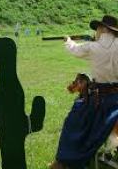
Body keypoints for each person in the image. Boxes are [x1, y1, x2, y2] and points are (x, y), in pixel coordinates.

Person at [50, 15, 118, 169]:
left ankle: (63, 161)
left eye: (98, 29)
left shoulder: (91, 46)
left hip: (99, 101)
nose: (97, 32)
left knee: (72, 121)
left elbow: (74, 50)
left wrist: (68, 41)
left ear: (103, 29)